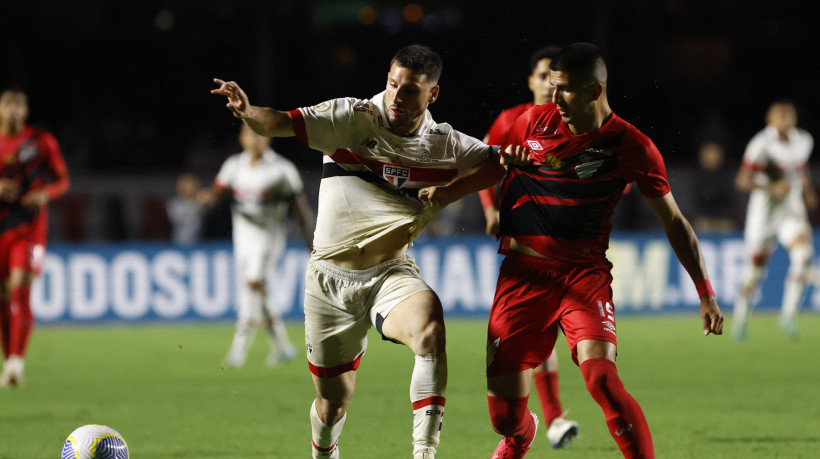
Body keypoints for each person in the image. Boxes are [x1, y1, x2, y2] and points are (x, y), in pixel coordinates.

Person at [419, 42, 724, 458]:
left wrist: (705, 293)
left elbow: (674, 222)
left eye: (564, 89)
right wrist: (448, 192)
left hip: (584, 276)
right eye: (550, 85)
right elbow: (492, 165)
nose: (553, 96)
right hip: (523, 276)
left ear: (595, 91)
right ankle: (521, 435)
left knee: (601, 379)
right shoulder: (532, 121)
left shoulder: (632, 146)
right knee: (504, 417)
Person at [211, 45, 505, 459]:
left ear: (432, 95)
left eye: (410, 91)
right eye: (392, 84)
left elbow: (497, 164)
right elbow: (276, 122)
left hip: (391, 274)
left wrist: (450, 193)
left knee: (430, 330)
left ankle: (424, 453)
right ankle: (324, 452)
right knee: (333, 403)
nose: (396, 97)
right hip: (329, 282)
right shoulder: (351, 118)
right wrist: (246, 111)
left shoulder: (444, 145)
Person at [478, 45, 580, 450]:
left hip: (565, 251)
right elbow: (483, 163)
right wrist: (489, 209)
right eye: (541, 76)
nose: (547, 84)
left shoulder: (578, 125)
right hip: (521, 246)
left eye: (554, 79)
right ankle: (546, 419)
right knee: (529, 337)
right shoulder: (512, 120)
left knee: (545, 332)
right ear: (531, 81)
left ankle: (552, 419)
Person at [198, 124, 315, 368]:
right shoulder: (233, 166)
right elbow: (217, 193)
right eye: (249, 134)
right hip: (244, 239)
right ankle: (283, 347)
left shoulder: (282, 170)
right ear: (240, 138)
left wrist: (312, 243)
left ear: (269, 140)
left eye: (260, 135)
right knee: (258, 290)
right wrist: (201, 197)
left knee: (252, 285)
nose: (255, 139)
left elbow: (300, 207)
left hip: (270, 238)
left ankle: (238, 350)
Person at [0, 88, 70, 387]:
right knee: (3, 295)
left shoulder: (41, 141)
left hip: (29, 228)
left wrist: (45, 193)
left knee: (20, 289)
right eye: (8, 105)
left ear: (25, 112)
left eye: (19, 105)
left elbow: (63, 180)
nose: (13, 110)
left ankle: (17, 363)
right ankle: (9, 361)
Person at [732, 100, 817, 340]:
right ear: (770, 120)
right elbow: (742, 181)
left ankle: (788, 315)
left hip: (790, 210)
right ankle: (741, 319)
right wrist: (771, 187)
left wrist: (808, 192)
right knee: (755, 272)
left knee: (804, 255)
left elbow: (800, 169)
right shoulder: (761, 144)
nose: (786, 119)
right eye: (781, 115)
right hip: (764, 213)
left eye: (790, 115)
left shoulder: (803, 140)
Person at [166, 172, 206, 245]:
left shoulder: (201, 202)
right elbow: (175, 218)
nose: (189, 188)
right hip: (179, 243)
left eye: (192, 184)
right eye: (186, 185)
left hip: (199, 243)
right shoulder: (174, 204)